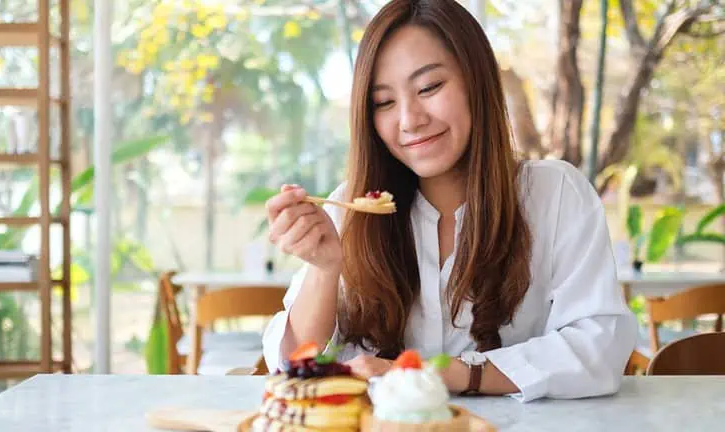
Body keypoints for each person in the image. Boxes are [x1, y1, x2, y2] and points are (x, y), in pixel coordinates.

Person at [261, 0, 636, 402]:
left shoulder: (555, 193)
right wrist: (324, 268)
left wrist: (440, 374)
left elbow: (598, 348)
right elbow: (298, 365)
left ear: (476, 81)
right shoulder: (348, 208)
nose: (409, 120)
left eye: (429, 88)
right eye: (384, 102)